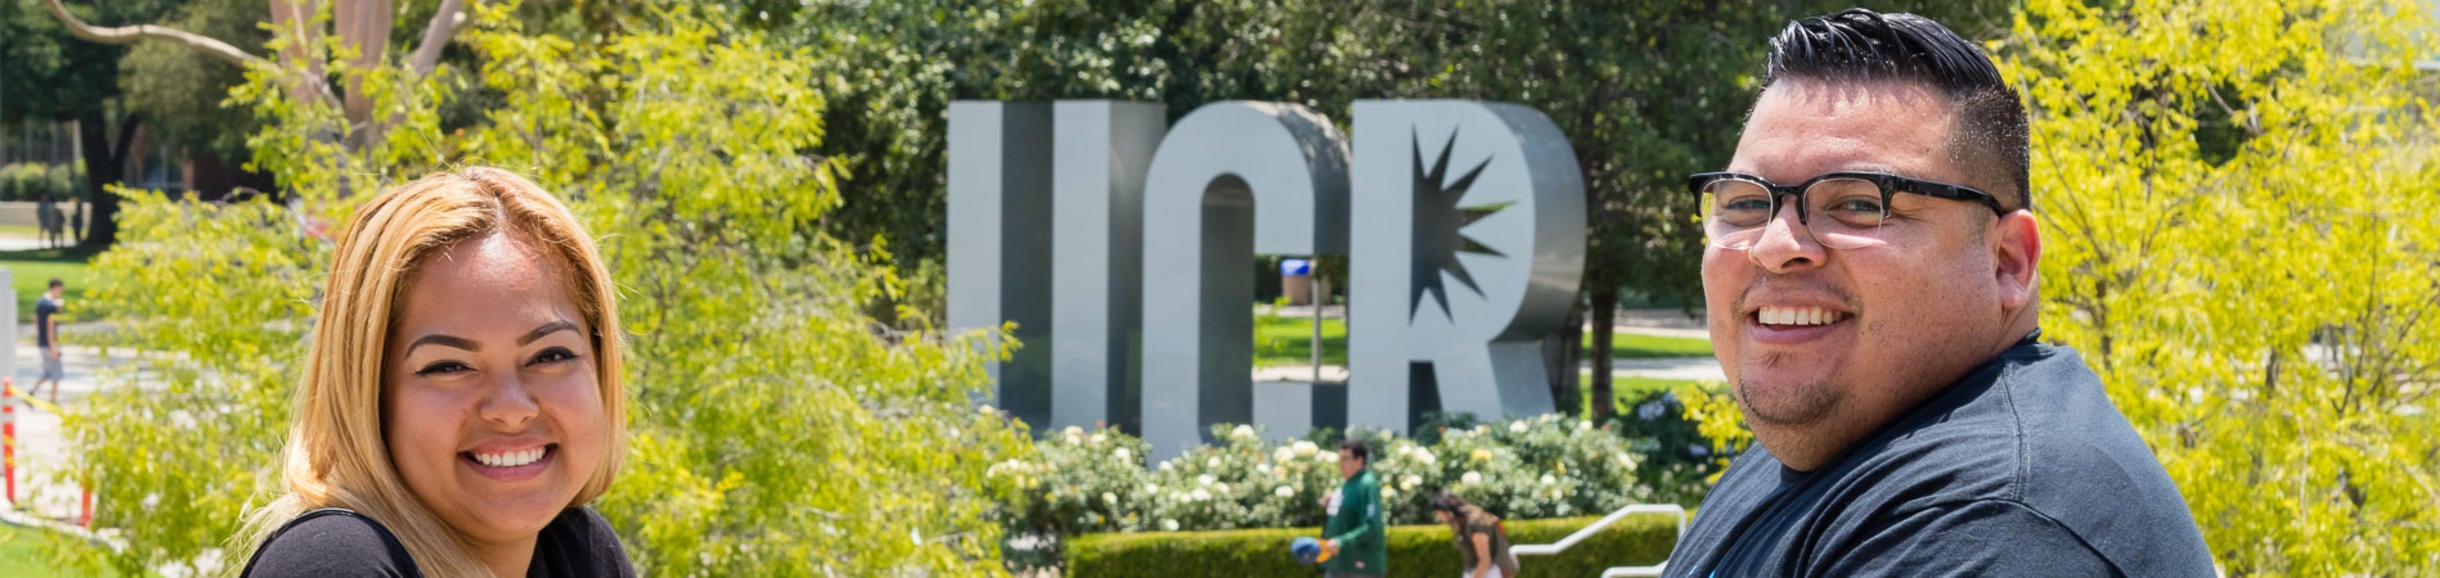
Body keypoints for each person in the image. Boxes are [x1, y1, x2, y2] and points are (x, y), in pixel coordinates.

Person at [1664, 9, 2215, 577]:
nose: (1774, 246)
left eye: (1858, 203)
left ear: (2007, 261)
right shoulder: (1828, 450)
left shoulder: (1992, 523)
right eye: (1745, 203)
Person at [234, 167, 635, 577]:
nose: (511, 408)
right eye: (449, 366)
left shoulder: (579, 551)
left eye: (549, 356)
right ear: (370, 393)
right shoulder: (335, 563)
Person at [1314, 437, 1386, 577]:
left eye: (1345, 459)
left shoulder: (1367, 483)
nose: (1340, 463)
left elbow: (1372, 526)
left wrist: (1341, 542)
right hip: (1338, 564)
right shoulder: (1346, 484)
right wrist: (1330, 503)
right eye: (1340, 459)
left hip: (1360, 567)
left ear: (1359, 460)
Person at [1431, 491, 1517, 578]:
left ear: (1447, 510)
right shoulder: (1463, 522)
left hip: (1492, 572)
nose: (1439, 517)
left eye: (1439, 513)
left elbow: (1485, 561)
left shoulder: (1474, 523)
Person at [27, 278, 64, 404]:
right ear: (56, 287)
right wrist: (53, 345)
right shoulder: (51, 306)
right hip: (50, 343)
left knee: (48, 372)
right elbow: (51, 326)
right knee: (56, 373)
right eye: (61, 290)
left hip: (42, 341)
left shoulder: (40, 303)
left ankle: (32, 392)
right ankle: (53, 400)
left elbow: (37, 321)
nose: (61, 292)